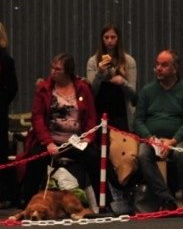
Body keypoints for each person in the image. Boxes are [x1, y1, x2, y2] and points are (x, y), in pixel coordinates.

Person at [21, 53, 100, 203]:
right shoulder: (44, 88)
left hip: (76, 141)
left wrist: (88, 139)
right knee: (34, 159)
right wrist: (48, 142)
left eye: (58, 69)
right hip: (51, 141)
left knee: (94, 157)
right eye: (52, 68)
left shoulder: (83, 88)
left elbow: (91, 117)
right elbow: (37, 118)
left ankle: (105, 203)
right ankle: (26, 202)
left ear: (68, 71)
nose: (53, 72)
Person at [134, 49, 183, 211]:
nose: (159, 68)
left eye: (164, 65)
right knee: (143, 155)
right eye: (157, 64)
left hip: (179, 139)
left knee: (181, 154)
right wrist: (150, 138)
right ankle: (166, 198)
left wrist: (172, 141)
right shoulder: (147, 91)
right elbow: (138, 120)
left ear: (175, 68)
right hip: (153, 139)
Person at [86, 24, 138, 132]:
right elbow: (91, 93)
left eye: (113, 37)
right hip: (99, 112)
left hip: (121, 113)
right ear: (102, 39)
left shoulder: (129, 61)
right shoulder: (93, 61)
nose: (109, 41)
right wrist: (99, 73)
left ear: (118, 39)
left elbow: (133, 94)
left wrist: (123, 82)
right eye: (106, 37)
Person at [0, 22, 18, 207]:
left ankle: (5, 195)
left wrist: (2, 103)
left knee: (1, 153)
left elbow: (12, 87)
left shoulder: (5, 59)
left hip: (0, 114)